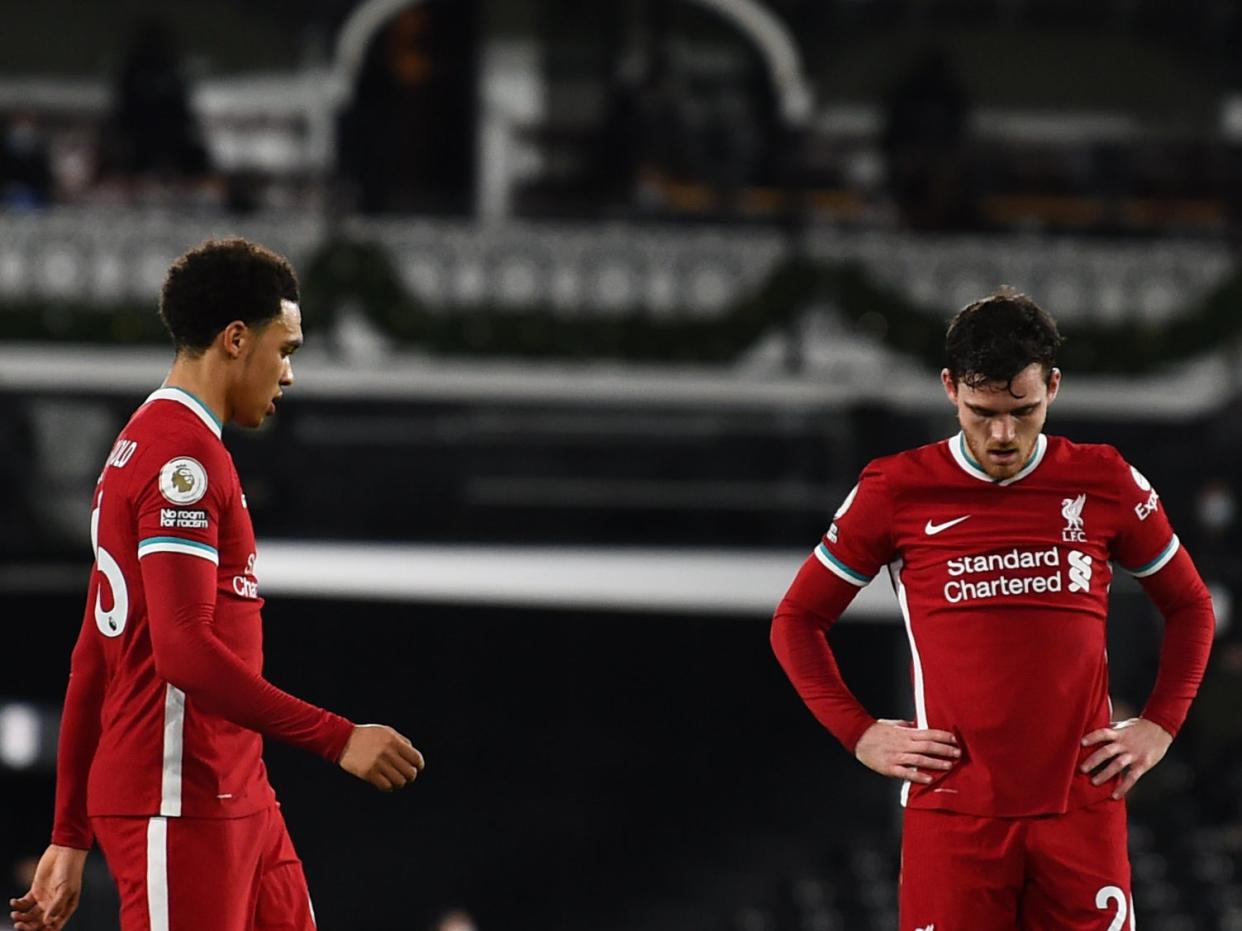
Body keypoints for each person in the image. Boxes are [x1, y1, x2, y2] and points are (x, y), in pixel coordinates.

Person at [10, 239, 425, 931]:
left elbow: (93, 656)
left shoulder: (147, 443)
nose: (288, 373)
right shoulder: (183, 459)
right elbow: (183, 654)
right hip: (178, 797)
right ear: (236, 339)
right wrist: (338, 737)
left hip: (235, 790)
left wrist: (69, 829)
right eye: (284, 349)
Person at [771, 289, 1215, 930]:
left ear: (1053, 387)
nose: (1003, 434)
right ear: (950, 388)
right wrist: (859, 731)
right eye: (982, 412)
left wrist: (1161, 724)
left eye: (1023, 409)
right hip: (955, 816)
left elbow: (1191, 605)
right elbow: (796, 620)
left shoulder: (1105, 480)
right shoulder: (896, 489)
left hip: (1081, 810)